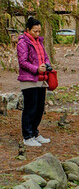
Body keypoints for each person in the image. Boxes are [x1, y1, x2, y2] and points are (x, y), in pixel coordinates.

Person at [16, 17, 52, 148]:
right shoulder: (22, 43)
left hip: (41, 80)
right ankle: (27, 136)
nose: (37, 34)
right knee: (30, 109)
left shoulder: (39, 42)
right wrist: (36, 69)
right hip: (29, 80)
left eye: (39, 31)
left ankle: (35, 133)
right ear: (28, 30)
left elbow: (45, 57)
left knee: (39, 109)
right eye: (35, 31)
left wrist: (47, 65)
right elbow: (23, 62)